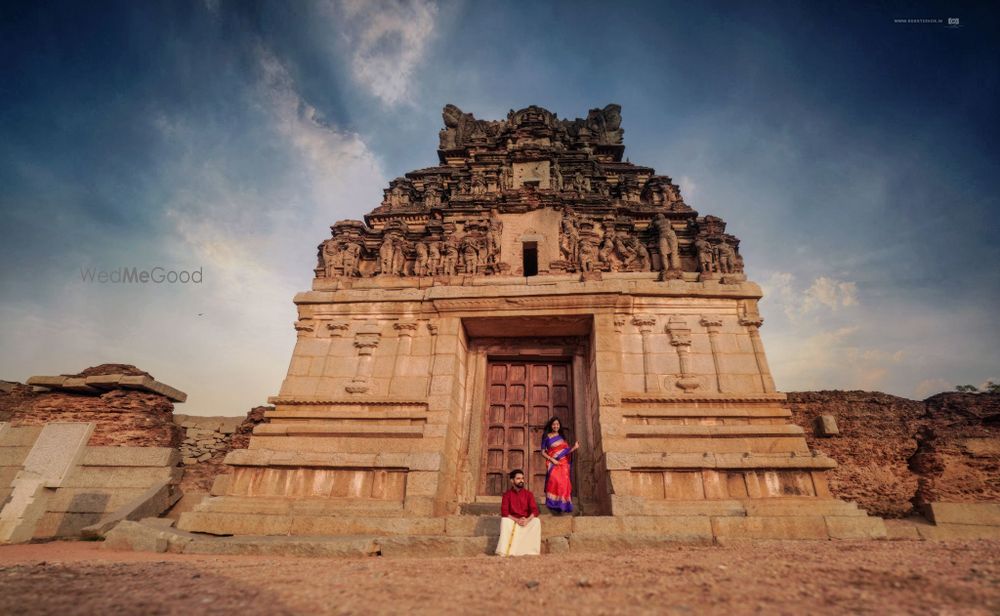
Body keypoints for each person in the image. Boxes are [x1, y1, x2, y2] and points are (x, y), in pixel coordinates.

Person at [496, 469, 541, 557]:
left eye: (522, 478)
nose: (521, 481)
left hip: (525, 522)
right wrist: (517, 520)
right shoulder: (507, 495)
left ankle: (531, 552)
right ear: (512, 480)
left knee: (536, 521)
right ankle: (506, 552)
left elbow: (535, 510)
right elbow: (504, 512)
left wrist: (527, 520)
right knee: (505, 520)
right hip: (513, 521)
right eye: (518, 478)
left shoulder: (529, 494)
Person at [541, 417, 579, 514]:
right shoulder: (547, 436)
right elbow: (543, 452)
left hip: (564, 463)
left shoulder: (562, 438)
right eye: (554, 424)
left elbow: (566, 452)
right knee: (554, 480)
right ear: (551, 425)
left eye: (557, 424)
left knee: (564, 483)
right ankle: (553, 503)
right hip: (553, 462)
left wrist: (574, 447)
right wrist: (552, 459)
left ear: (559, 425)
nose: (556, 426)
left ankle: (562, 505)